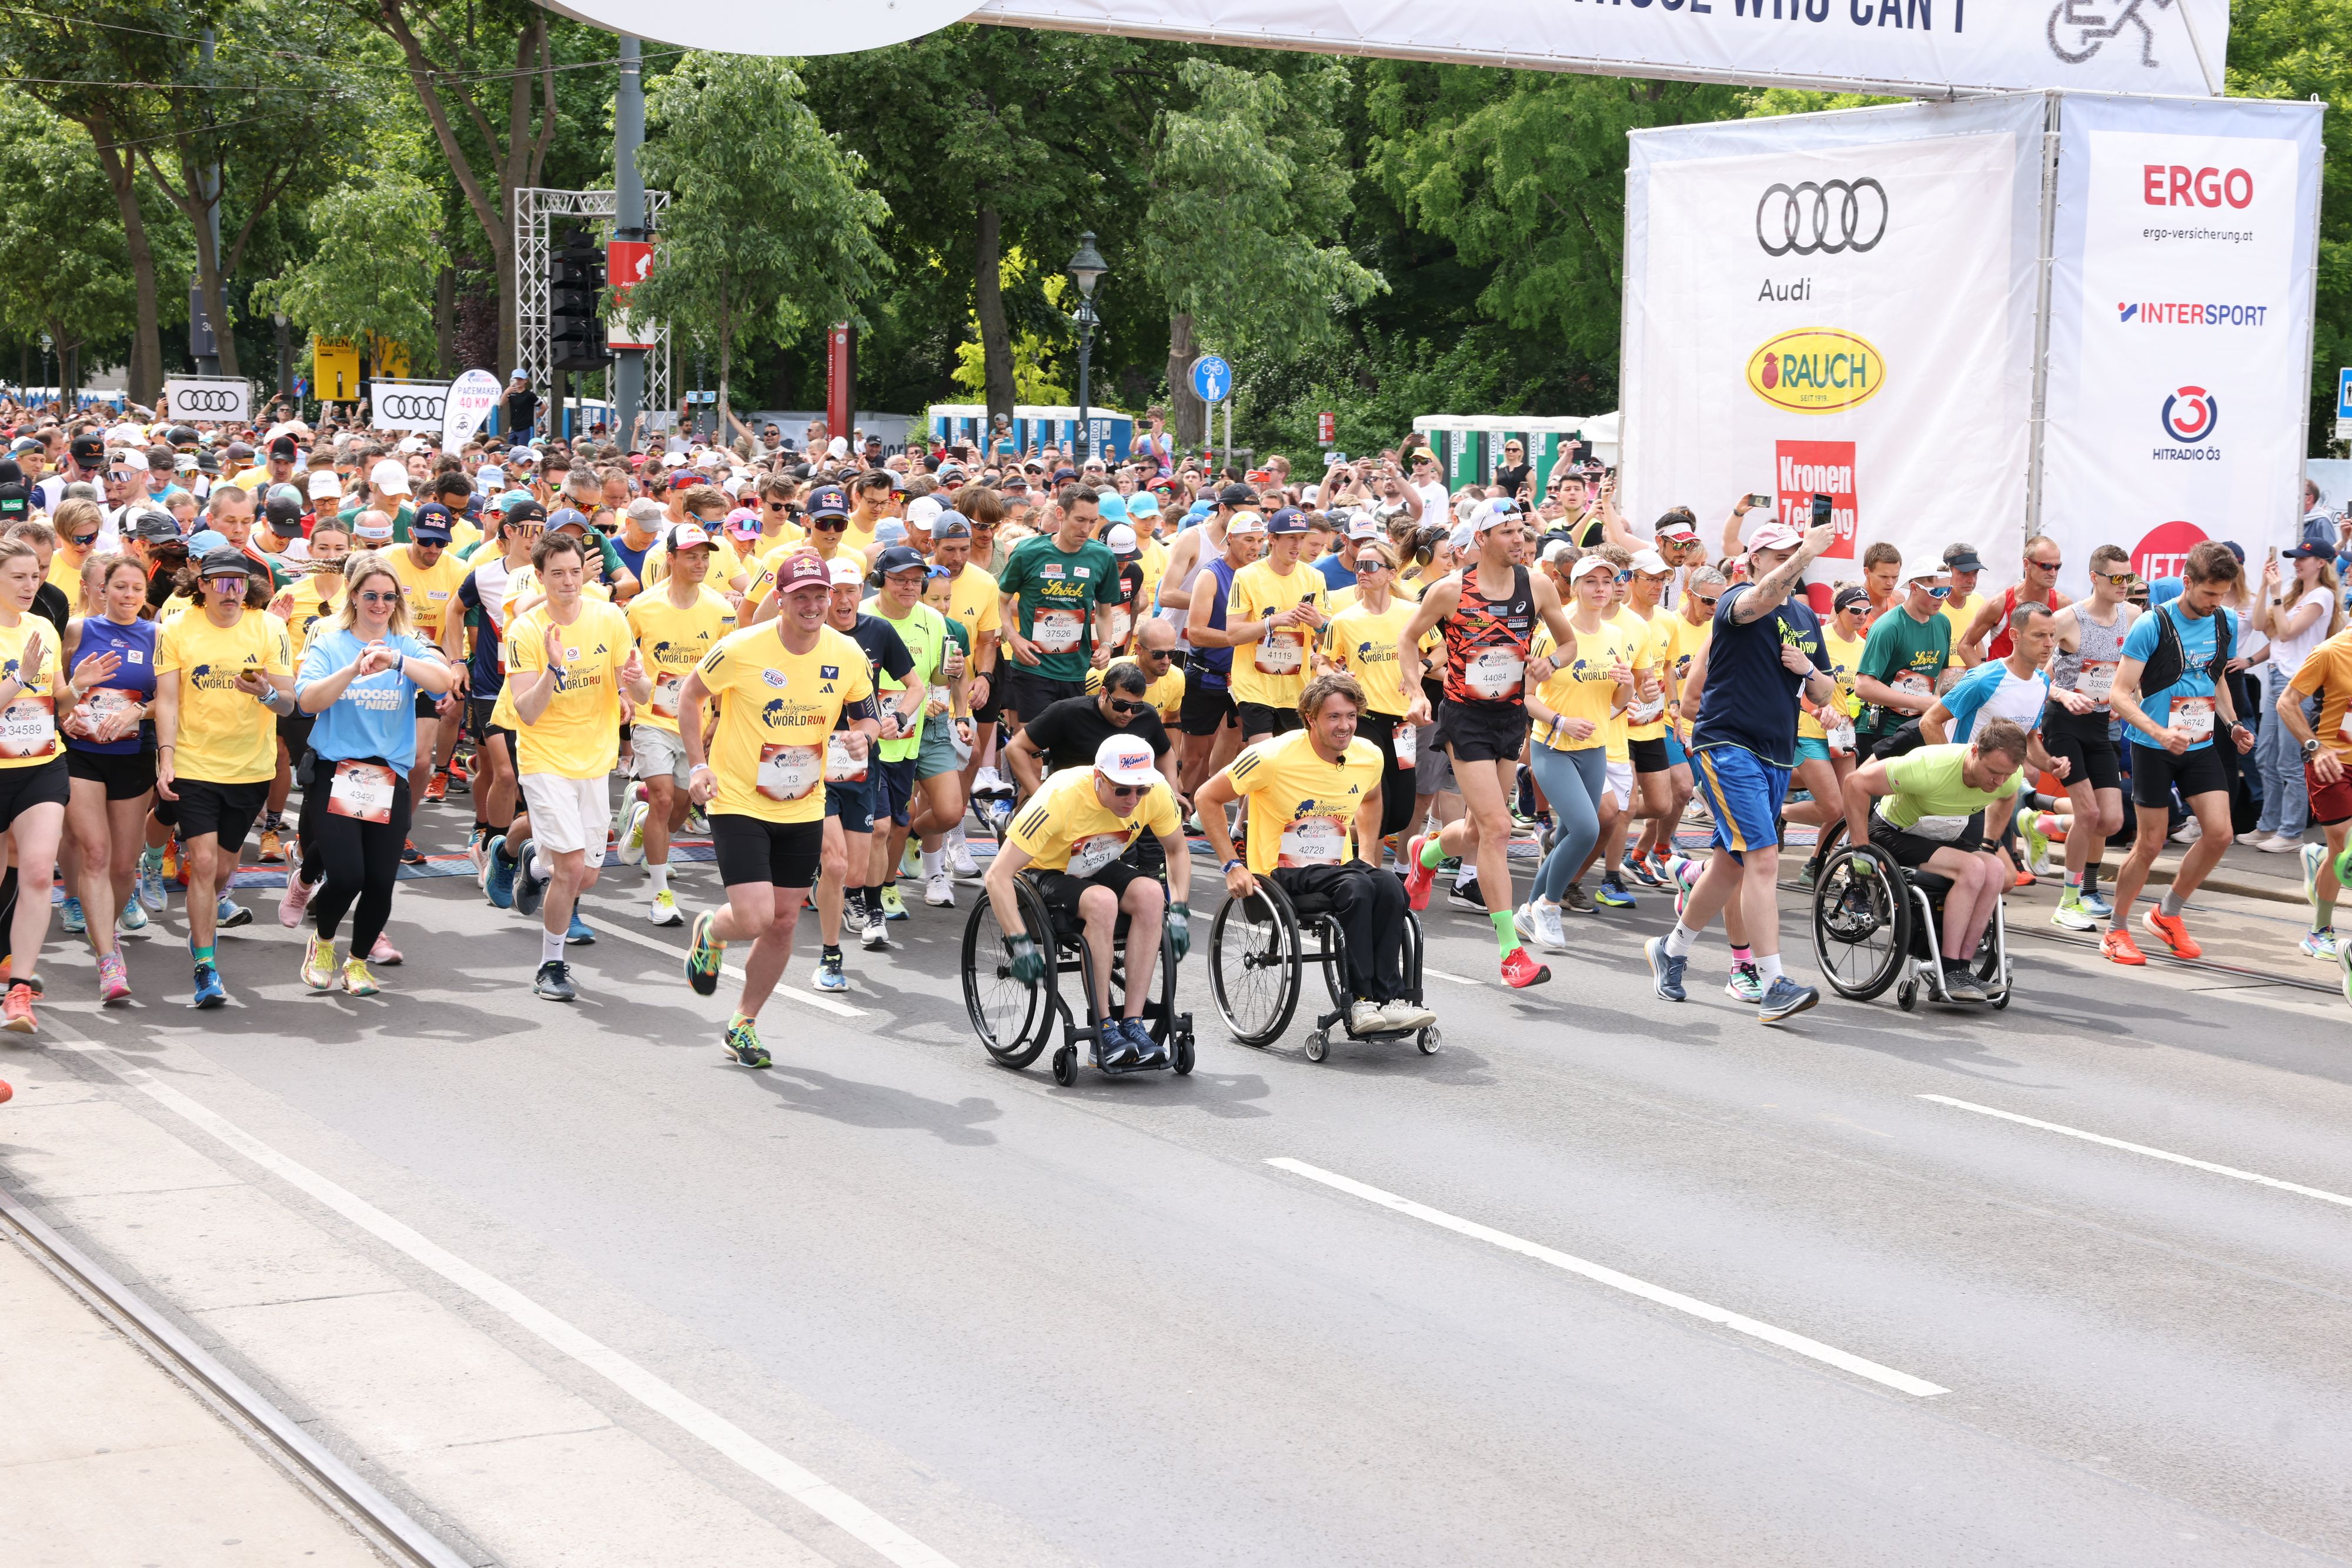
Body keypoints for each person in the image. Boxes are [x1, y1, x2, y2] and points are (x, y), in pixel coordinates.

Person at [679, 550, 880, 1066]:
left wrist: (863, 739)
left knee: (785, 920)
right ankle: (712, 931)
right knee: (753, 916)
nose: (813, 606)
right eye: (801, 597)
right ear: (782, 599)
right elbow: (690, 695)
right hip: (740, 798)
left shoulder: (847, 653)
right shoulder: (743, 647)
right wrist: (698, 765)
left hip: (803, 801)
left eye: (821, 595)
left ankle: (743, 1022)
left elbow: (868, 717)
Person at [1643, 518, 1838, 1024]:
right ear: (1754, 561)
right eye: (1777, 555)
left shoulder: (1806, 617)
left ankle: (1672, 947)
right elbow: (1764, 597)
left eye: (1793, 553)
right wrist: (1805, 557)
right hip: (1726, 744)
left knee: (1732, 863)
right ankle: (1772, 981)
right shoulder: (1736, 600)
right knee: (1765, 858)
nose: (1788, 562)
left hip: (1777, 752)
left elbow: (1825, 693)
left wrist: (1809, 671)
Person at [1396, 502, 1578, 988]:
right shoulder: (1451, 590)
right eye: (1508, 532)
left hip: (1510, 717)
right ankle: (1510, 952)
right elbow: (1409, 639)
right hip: (1465, 718)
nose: (1520, 540)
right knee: (1499, 827)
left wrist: (1551, 665)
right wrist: (1416, 692)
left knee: (1478, 830)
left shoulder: (1536, 586)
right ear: (1482, 539)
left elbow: (1567, 644)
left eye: (1523, 530)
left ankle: (1426, 854)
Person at [1195, 672, 1433, 1037]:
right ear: (1310, 718)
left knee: (1389, 885)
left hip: (1337, 867)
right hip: (1280, 869)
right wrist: (1232, 865)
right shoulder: (1269, 756)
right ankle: (1361, 1001)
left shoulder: (1368, 755)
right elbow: (1206, 798)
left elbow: (1371, 799)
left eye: (1351, 716)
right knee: (1358, 887)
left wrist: (1369, 855)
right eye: (1334, 717)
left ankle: (1394, 1000)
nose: (1345, 726)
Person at [291, 551, 457, 994]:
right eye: (371, 595)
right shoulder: (330, 640)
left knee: (381, 881)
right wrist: (353, 667)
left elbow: (443, 682)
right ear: (354, 596)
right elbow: (306, 701)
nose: (380, 604)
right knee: (348, 877)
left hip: (387, 776)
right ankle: (323, 942)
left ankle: (357, 962)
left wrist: (397, 662)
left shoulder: (406, 642)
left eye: (388, 596)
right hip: (338, 770)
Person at [505, 530, 650, 1000]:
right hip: (544, 757)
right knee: (571, 868)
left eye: (574, 571)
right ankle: (551, 964)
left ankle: (534, 864)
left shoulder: (609, 617)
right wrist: (553, 668)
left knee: (586, 874)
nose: (568, 582)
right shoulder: (525, 630)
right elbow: (526, 711)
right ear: (540, 577)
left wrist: (633, 687)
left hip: (595, 758)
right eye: (557, 574)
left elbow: (641, 692)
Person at [990, 732, 1193, 1070]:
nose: (1133, 800)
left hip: (1095, 861)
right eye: (1122, 790)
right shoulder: (1060, 795)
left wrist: (1182, 912)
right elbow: (997, 875)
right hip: (1045, 869)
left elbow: (1176, 850)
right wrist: (1021, 943)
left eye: (1139, 790)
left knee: (1152, 894)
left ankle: (1132, 1022)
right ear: (1099, 778)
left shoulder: (1155, 791)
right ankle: (1104, 1030)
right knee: (1102, 902)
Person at [154, 549, 296, 1011]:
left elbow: (290, 704)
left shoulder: (270, 627)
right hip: (195, 763)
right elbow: (169, 701)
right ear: (204, 584)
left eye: (240, 581)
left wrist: (267, 693)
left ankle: (203, 921)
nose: (231, 591)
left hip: (250, 767)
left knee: (224, 869)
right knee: (203, 860)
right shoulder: (175, 627)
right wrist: (167, 758)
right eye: (222, 581)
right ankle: (204, 963)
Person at [2102, 541, 2253, 965]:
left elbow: (2215, 675)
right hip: (2154, 745)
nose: (2216, 602)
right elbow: (2119, 693)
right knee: (2149, 844)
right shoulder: (2152, 623)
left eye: (2223, 594)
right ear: (2188, 582)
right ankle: (2115, 929)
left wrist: (2233, 723)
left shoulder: (2224, 620)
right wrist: (2158, 731)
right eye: (2209, 594)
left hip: (2200, 741)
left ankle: (2167, 913)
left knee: (2220, 833)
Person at [1838, 724, 2033, 1003]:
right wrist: (1859, 846)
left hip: (1945, 833)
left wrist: (1990, 843)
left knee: (1996, 870)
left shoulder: (2008, 778)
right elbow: (1854, 783)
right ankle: (1949, 968)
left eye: (2007, 775)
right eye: (1993, 772)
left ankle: (1963, 970)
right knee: (1973, 869)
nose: (1999, 782)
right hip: (1895, 831)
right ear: (1975, 751)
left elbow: (2007, 796)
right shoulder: (1929, 766)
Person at [618, 522, 737, 925]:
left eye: (705, 556)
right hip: (653, 718)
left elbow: (730, 668)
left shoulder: (721, 608)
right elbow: (622, 655)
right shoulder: (642, 606)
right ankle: (660, 893)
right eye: (691, 555)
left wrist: (718, 715)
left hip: (696, 724)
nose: (700, 563)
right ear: (670, 558)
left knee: (683, 804)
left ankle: (642, 825)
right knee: (664, 796)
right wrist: (625, 693)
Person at [1516, 553, 1635, 952]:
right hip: (1552, 746)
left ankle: (1529, 907)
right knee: (1587, 828)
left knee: (1570, 832)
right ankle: (1550, 906)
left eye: (1608, 581)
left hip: (1595, 748)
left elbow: (1619, 699)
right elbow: (1527, 697)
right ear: (1575, 586)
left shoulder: (1616, 635)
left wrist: (1629, 685)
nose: (1600, 588)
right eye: (1591, 581)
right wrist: (1560, 721)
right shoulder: (1553, 631)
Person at [60, 554, 159, 1002]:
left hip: (133, 756)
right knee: (95, 853)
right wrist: (69, 715)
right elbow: (56, 692)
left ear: (145, 593)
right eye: (120, 587)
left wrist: (138, 710)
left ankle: (107, 932)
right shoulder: (80, 630)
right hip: (82, 755)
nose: (129, 596)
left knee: (123, 865)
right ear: (104, 589)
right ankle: (107, 959)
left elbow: (170, 700)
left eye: (137, 589)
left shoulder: (158, 636)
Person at [2040, 547, 2138, 929]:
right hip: (2064, 722)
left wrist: (2124, 700)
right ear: (2094, 577)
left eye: (2128, 578)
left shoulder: (2132, 616)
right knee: (2089, 813)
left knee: (2111, 820)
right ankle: (2068, 901)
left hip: (2101, 724)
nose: (2124, 585)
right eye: (2116, 578)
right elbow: (2035, 674)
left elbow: (2134, 672)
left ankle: (2042, 821)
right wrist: (2064, 694)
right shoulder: (2066, 620)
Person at [864, 545, 964, 912]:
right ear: (879, 582)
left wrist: (949, 676)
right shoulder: (859, 616)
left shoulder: (932, 620)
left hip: (914, 731)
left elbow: (936, 678)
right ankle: (844, 883)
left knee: (903, 822)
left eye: (916, 581)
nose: (910, 587)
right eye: (900, 580)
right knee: (873, 823)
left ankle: (887, 884)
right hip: (866, 736)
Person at [1320, 540, 1419, 847]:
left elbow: (1440, 649)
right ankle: (1367, 875)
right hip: (1364, 720)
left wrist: (1420, 666)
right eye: (1358, 566)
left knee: (1401, 813)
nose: (1362, 571)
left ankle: (1330, 840)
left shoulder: (1412, 613)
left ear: (1390, 574)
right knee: (1376, 807)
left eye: (1371, 566)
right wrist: (1335, 676)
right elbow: (1323, 663)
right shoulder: (1344, 620)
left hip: (1403, 723)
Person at [995, 486, 1120, 727]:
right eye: (1080, 520)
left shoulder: (1103, 557)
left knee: (1068, 750)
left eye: (1093, 521)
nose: (1086, 529)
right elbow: (999, 599)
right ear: (1061, 514)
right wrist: (1013, 637)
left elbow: (1105, 611)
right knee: (1032, 747)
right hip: (1034, 669)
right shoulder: (1029, 553)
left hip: (1076, 670)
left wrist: (1106, 645)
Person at [2248, 542, 2343, 852]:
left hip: (2298, 681)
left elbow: (2287, 632)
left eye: (2304, 558)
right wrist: (2266, 586)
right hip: (2279, 677)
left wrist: (2276, 592)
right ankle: (2269, 826)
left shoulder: (2322, 596)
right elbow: (2262, 626)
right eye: (2296, 558)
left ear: (2321, 563)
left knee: (2290, 762)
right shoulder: (2292, 593)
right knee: (2265, 757)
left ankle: (2291, 832)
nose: (2297, 563)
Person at [2274, 623, 2352, 978]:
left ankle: (2320, 858)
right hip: (2332, 763)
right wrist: (2314, 747)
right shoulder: (2330, 652)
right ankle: (2319, 932)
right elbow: (2286, 702)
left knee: (2340, 853)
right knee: (2345, 849)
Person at [1213, 507, 1328, 740]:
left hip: (1296, 688)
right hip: (1253, 686)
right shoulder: (1247, 576)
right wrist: (1273, 622)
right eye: (1291, 538)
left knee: (1287, 767)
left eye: (1302, 538)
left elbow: (1329, 642)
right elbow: (1233, 635)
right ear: (1272, 539)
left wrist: (1320, 624)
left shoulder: (1314, 577)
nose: (1297, 545)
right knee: (1263, 757)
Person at [1852, 565, 1953, 753]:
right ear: (1914, 588)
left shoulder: (1943, 623)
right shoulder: (1889, 626)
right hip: (1883, 729)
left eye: (1948, 590)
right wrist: (1919, 702)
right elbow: (1863, 686)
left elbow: (1943, 670)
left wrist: (1936, 704)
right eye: (1936, 591)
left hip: (1923, 727)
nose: (1942, 598)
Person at [1959, 534, 2069, 664]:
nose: (2053, 573)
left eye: (2058, 567)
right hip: (2002, 681)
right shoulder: (1999, 604)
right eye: (2046, 566)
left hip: (2041, 682)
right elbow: (1965, 645)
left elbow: (2071, 652)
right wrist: (1985, 680)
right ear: (2026, 564)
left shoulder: (2063, 605)